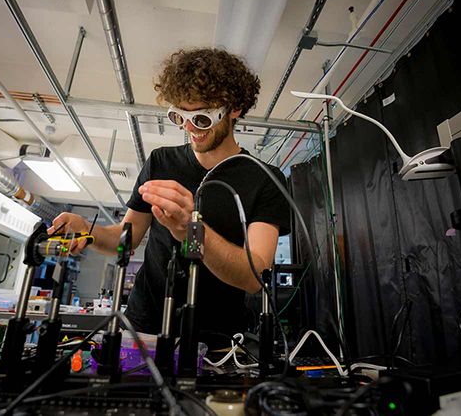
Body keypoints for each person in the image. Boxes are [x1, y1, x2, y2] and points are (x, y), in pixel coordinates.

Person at [48, 48, 290, 341]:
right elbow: (127, 241)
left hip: (216, 340)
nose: (189, 128)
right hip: (146, 327)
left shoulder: (264, 179)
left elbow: (254, 277)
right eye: (179, 116)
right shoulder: (161, 163)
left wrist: (191, 231)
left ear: (234, 109)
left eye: (202, 119)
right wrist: (87, 231)